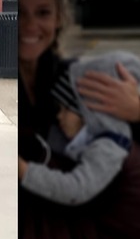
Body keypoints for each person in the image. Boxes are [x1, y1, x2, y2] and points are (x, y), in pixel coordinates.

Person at [19, 0, 140, 239]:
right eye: (20, 13)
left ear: (60, 18)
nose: (30, 25)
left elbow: (82, 185)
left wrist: (137, 111)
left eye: (43, 13)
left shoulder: (82, 79)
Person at [19, 51, 140, 206]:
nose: (59, 116)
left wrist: (23, 170)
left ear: (91, 112)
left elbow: (76, 188)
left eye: (66, 109)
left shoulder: (110, 147)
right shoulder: (92, 137)